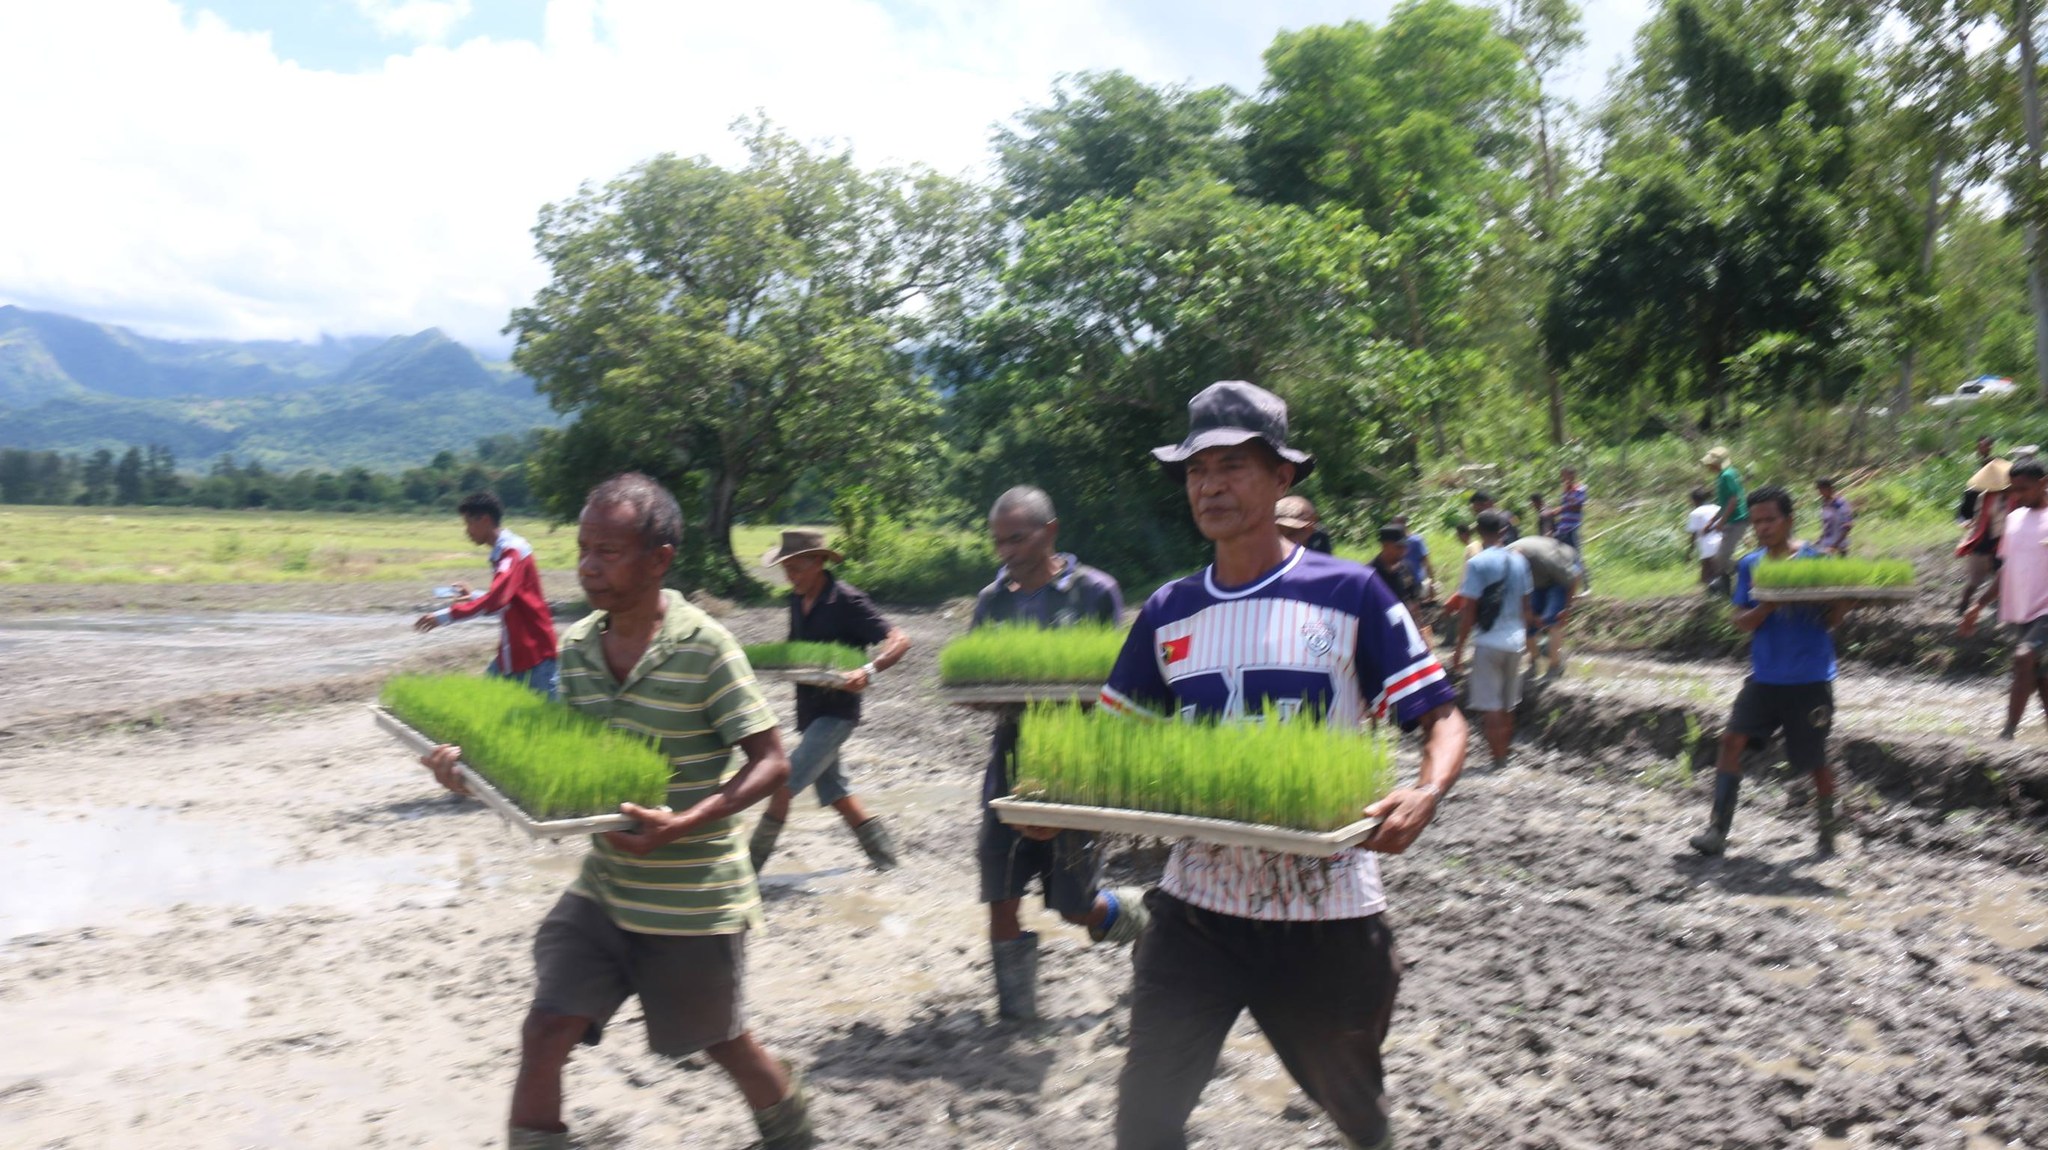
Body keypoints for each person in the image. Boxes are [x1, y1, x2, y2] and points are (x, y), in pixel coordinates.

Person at [1101, 379, 1467, 1150]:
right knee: (1144, 1119)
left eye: (1233, 465)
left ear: (1282, 478)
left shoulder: (1351, 592)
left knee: (1362, 1122)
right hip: (1197, 909)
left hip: (1324, 913)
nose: (1211, 485)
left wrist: (1427, 791)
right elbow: (1112, 741)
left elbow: (1439, 713)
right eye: (1197, 470)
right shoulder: (1168, 609)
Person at [418, 473, 814, 1150]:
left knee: (724, 1045)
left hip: (691, 902)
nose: (590, 566)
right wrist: (472, 777)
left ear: (659, 559)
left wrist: (687, 822)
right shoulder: (576, 650)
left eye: (609, 551)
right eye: (583, 549)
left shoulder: (706, 647)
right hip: (604, 891)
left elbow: (772, 759)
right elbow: (563, 759)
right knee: (544, 1030)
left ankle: (794, 1134)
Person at [972, 485, 1143, 1020]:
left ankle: (1145, 919)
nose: (1006, 551)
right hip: (1010, 756)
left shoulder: (1094, 592)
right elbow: (978, 683)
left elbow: (1115, 683)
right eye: (998, 541)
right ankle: (1015, 1016)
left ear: (1050, 532)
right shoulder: (990, 601)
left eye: (1016, 539)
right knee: (998, 889)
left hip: (1075, 758)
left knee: (1074, 905)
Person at [1689, 485, 1858, 858]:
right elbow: (1741, 622)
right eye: (1756, 522)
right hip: (1764, 679)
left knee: (1814, 759)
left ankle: (1828, 831)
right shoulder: (1750, 565)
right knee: (1731, 741)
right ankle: (1717, 830)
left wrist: (1842, 604)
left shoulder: (1818, 562)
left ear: (1789, 520)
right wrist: (1766, 606)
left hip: (1810, 678)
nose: (1762, 527)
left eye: (1770, 520)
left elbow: (1832, 622)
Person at [748, 530, 912, 874]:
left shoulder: (847, 601)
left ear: (819, 562)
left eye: (797, 568)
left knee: (783, 784)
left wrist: (869, 670)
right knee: (838, 794)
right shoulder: (795, 600)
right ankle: (887, 862)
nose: (790, 576)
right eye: (786, 569)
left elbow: (899, 639)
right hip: (809, 711)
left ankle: (748, 870)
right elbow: (796, 652)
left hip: (837, 715)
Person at [413, 491, 560, 699]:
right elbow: (509, 598)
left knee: (549, 724)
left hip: (535, 656)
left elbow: (498, 600)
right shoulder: (504, 552)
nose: (467, 531)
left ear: (485, 520)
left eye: (468, 524)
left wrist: (444, 616)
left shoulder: (512, 552)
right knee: (483, 705)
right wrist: (473, 595)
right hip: (513, 654)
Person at [1961, 457, 2048, 740]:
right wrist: (1978, 604)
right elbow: (2006, 568)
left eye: (2023, 489)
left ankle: (2007, 733)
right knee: (2039, 675)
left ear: (2043, 484)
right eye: (2012, 490)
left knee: (2023, 658)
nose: (2016, 496)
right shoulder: (2014, 519)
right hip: (2023, 608)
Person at [1453, 510, 1535, 771]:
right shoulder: (1520, 562)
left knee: (1491, 706)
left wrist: (1458, 649)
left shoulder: (1477, 563)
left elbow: (1469, 612)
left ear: (1478, 532)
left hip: (1489, 643)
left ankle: (1497, 760)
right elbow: (1526, 607)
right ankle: (1504, 758)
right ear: (1503, 531)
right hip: (1516, 643)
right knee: (1508, 704)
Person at [1508, 534, 1582, 681]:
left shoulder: (1548, 561)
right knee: (1525, 623)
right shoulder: (1504, 559)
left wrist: (1567, 608)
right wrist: (1527, 612)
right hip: (1538, 579)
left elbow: (1574, 578)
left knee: (1554, 620)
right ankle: (1534, 662)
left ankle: (1555, 667)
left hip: (1560, 575)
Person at [1958, 458, 2012, 617]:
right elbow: (1979, 519)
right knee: (1974, 581)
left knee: (2002, 580)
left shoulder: (2014, 498)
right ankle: (1963, 607)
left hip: (2001, 544)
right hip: (1982, 542)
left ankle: (2002, 613)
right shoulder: (1984, 497)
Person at [1370, 525, 1423, 609]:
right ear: (1385, 545)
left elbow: (1413, 601)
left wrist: (1417, 620)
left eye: (1405, 546)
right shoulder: (1370, 573)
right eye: (1399, 547)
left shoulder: (1406, 568)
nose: (1404, 551)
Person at [1390, 514, 1437, 601]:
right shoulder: (1393, 543)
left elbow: (1426, 562)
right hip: (1401, 585)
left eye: (1395, 524)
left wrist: (1431, 583)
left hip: (1417, 583)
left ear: (1404, 524)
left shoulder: (1416, 540)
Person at [1686, 486, 1723, 589]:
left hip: (1708, 546)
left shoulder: (1695, 513)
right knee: (1715, 574)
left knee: (1707, 577)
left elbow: (1693, 535)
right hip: (1722, 543)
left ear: (1694, 500)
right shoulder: (1717, 508)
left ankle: (1716, 597)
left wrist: (1689, 552)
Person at [1956, 436, 1997, 526]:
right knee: (1970, 493)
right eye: (1982, 446)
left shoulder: (1994, 459)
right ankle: (1966, 518)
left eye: (1987, 446)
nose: (1984, 448)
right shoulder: (1971, 460)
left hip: (1991, 485)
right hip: (1976, 485)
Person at [1815, 477, 1854, 555]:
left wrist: (1835, 546)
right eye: (1819, 490)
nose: (1820, 493)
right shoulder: (1824, 504)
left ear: (1830, 488)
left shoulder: (1840, 503)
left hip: (1839, 547)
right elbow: (1826, 525)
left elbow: (1848, 526)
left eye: (1822, 490)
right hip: (1826, 545)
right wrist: (1819, 540)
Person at [1556, 466, 1588, 549]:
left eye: (1564, 475)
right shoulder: (1565, 491)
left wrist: (1569, 492)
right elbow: (1565, 507)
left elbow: (1577, 507)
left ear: (1572, 475)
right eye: (1562, 476)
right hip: (1563, 527)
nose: (1562, 478)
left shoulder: (1580, 489)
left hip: (1573, 527)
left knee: (1575, 553)